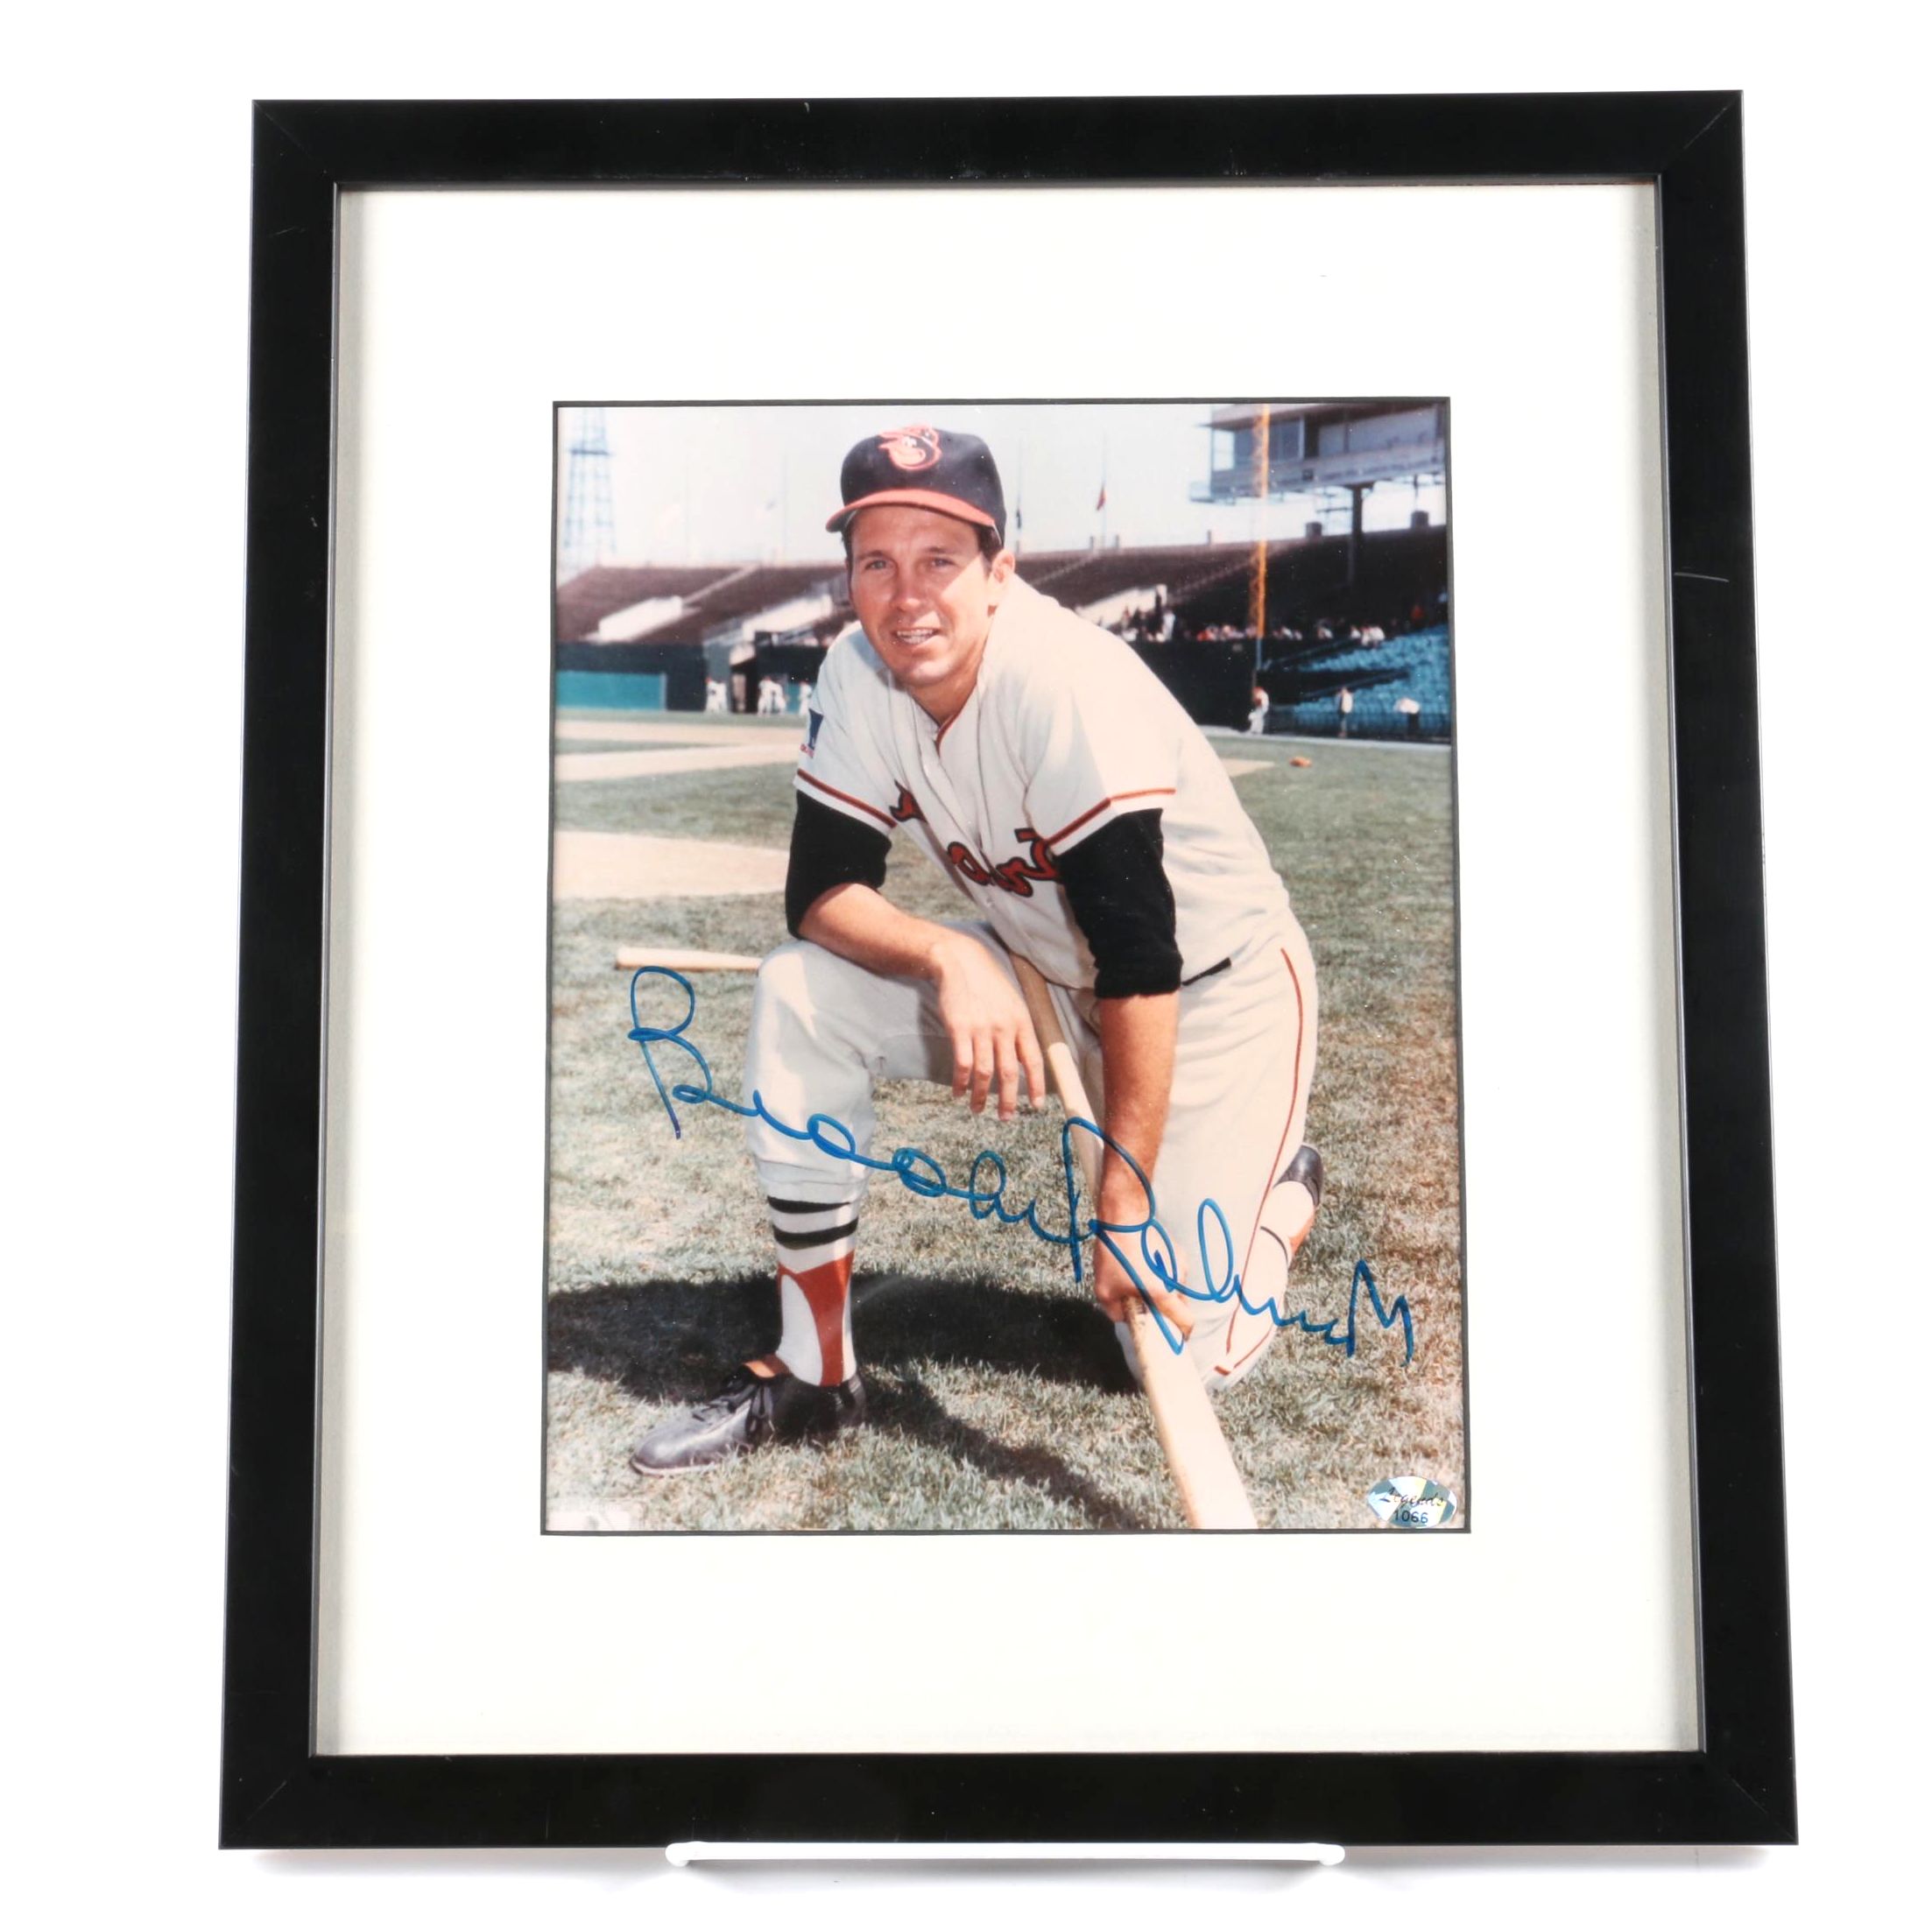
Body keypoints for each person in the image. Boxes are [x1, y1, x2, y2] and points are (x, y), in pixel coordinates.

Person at [630, 426, 1321, 1476]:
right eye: (877, 562)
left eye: (940, 560)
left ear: (1000, 571)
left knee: (1178, 1349)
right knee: (800, 992)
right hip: (1036, 975)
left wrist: (1119, 1202)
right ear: (850, 577)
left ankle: (1282, 1203)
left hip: (1212, 999)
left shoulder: (1067, 681)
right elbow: (817, 893)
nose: (907, 596)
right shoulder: (857, 676)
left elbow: (1141, 954)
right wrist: (951, 958)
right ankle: (815, 1372)